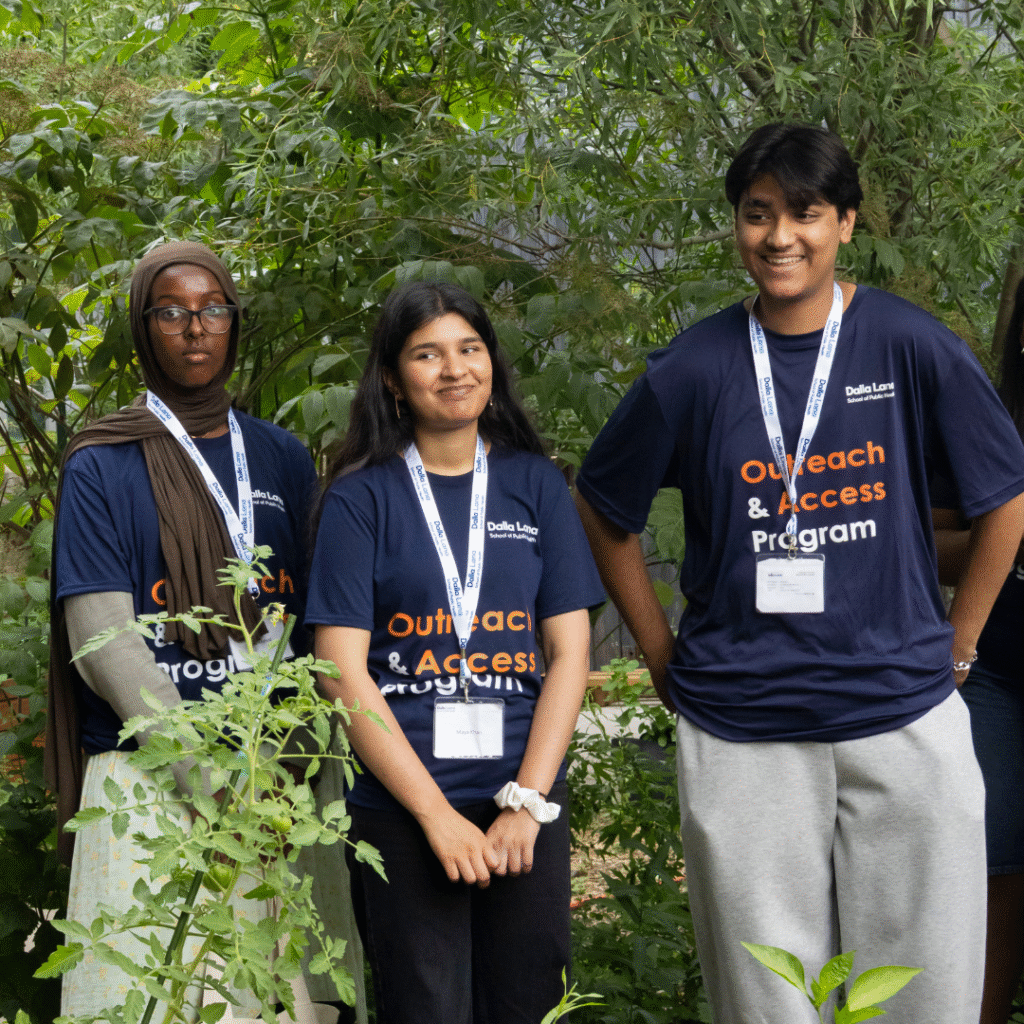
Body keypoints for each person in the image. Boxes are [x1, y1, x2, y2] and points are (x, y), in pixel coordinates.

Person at [573, 123, 1024, 1024]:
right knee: (767, 1001)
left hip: (904, 712)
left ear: (846, 223)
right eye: (758, 213)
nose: (781, 236)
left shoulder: (909, 345)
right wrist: (660, 652)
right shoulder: (692, 368)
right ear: (736, 227)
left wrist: (962, 639)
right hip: (744, 727)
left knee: (926, 993)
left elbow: (1003, 497)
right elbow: (601, 504)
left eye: (806, 212)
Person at [45, 240, 363, 1021]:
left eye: (213, 309)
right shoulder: (101, 463)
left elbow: (317, 620)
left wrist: (283, 767)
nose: (196, 328)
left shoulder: (283, 457)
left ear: (234, 323)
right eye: (173, 311)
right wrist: (211, 785)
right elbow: (104, 641)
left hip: (280, 783)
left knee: (289, 1000)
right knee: (156, 998)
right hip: (150, 778)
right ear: (142, 327)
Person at [306, 280, 604, 1024]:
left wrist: (528, 805)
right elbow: (341, 670)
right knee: (424, 1010)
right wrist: (436, 817)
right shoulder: (359, 498)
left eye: (469, 349)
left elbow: (570, 654)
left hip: (523, 805)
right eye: (427, 354)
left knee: (529, 1005)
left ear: (491, 363)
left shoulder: (534, 485)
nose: (454, 369)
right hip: (405, 810)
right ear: (391, 379)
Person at [933, 273, 1024, 1024]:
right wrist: (1006, 536)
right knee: (990, 864)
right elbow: (916, 542)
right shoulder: (992, 417)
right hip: (996, 669)